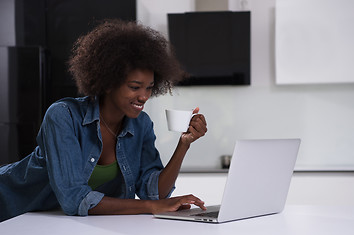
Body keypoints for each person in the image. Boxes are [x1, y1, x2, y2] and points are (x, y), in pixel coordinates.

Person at [0, 19, 207, 222]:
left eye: (149, 87)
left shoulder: (141, 124)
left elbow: (155, 194)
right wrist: (150, 207)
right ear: (108, 83)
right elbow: (74, 199)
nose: (144, 96)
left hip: (56, 223)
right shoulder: (63, 116)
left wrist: (183, 145)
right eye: (134, 87)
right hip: (11, 210)